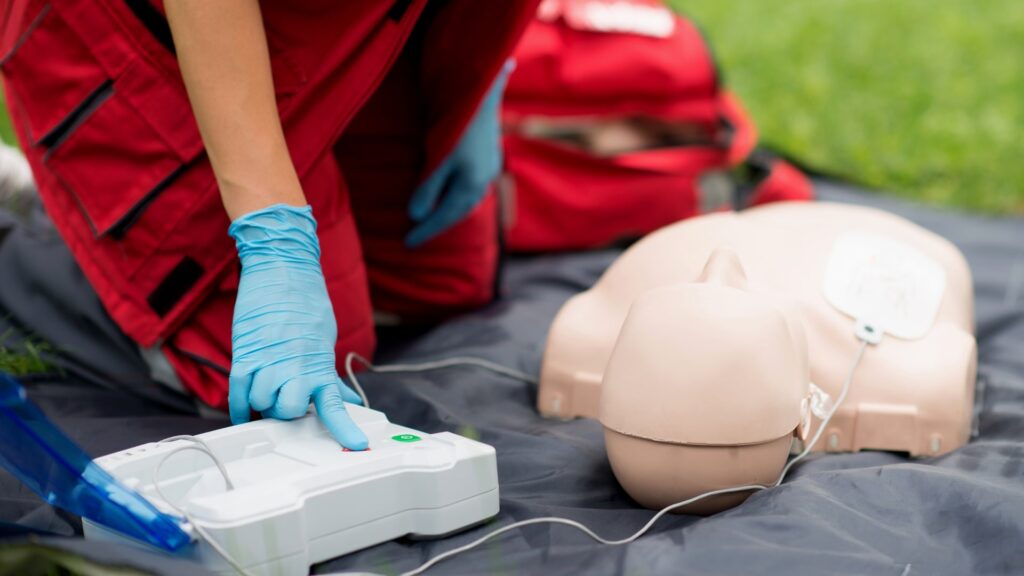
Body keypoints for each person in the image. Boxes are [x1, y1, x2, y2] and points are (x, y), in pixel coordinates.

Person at [0, 0, 539, 449]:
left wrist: (488, 76)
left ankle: (95, 217)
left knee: (442, 284)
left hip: (350, 22)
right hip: (159, 21)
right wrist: (273, 237)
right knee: (270, 392)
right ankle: (58, 212)